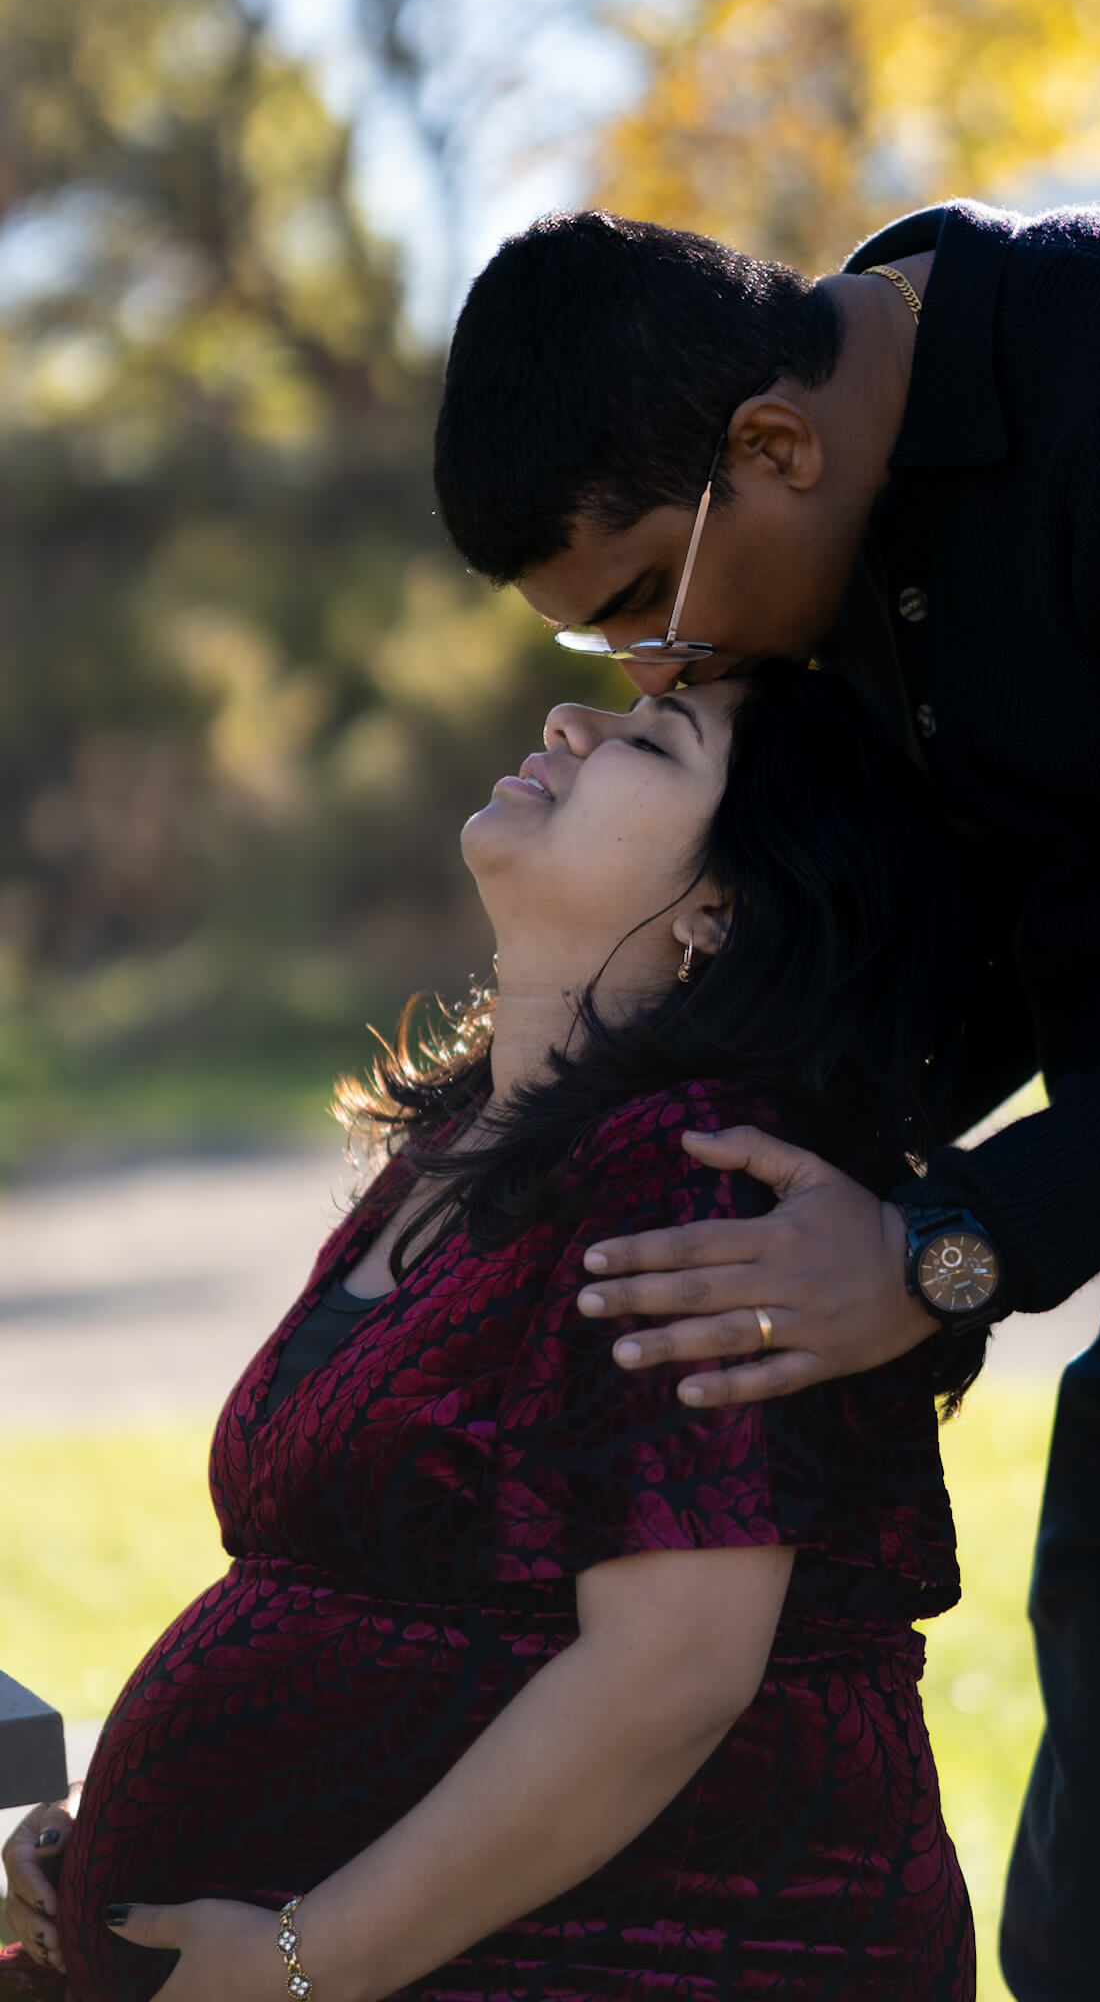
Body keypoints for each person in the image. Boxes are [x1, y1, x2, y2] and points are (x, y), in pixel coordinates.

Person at [430, 201, 1100, 1999]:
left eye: (642, 598)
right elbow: (987, 960)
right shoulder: (843, 526)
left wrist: (946, 1248)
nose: (656, 668)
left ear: (774, 446)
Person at [0, 662, 979, 2002]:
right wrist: (116, 1842)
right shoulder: (465, 1143)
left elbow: (675, 1668)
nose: (570, 722)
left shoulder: (695, 1172)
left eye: (656, 738)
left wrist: (304, 1963)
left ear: (720, 910)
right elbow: (356, 1610)